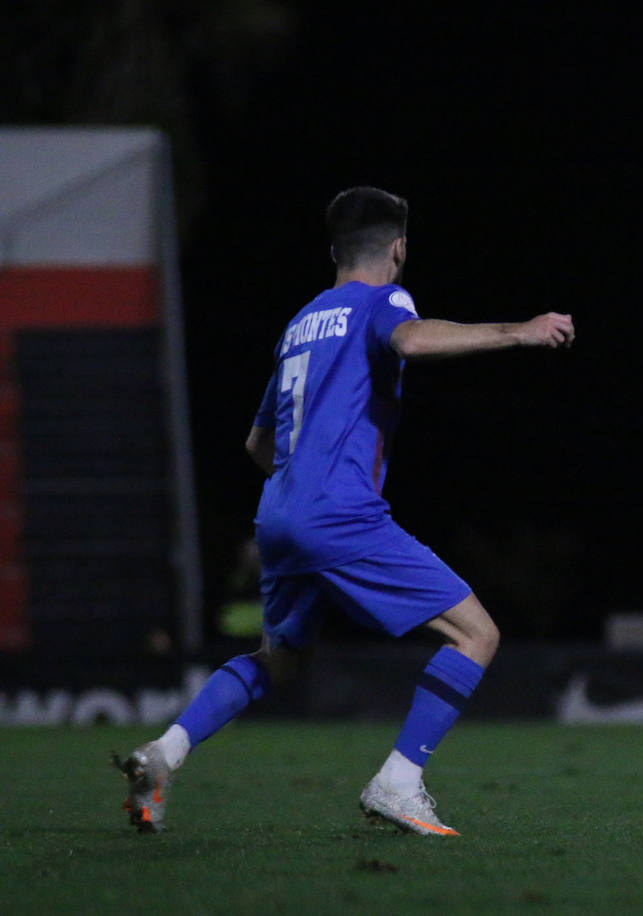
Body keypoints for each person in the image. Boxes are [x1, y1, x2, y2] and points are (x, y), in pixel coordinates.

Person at [118, 186, 574, 836]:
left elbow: (257, 443)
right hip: (338, 513)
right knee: (477, 634)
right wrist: (518, 331)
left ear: (334, 250)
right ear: (399, 248)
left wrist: (302, 491)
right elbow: (411, 342)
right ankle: (399, 780)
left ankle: (164, 753)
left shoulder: (300, 324)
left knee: (280, 657)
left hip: (277, 515)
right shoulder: (384, 300)